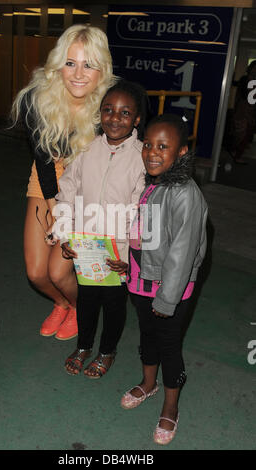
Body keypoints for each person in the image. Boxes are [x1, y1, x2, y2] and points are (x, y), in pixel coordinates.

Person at [11, 25, 115, 340]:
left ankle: (83, 312)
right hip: (47, 181)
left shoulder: (111, 106)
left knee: (59, 271)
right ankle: (64, 304)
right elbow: (43, 160)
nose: (78, 73)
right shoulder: (36, 99)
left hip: (89, 191)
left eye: (89, 64)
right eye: (70, 63)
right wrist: (57, 209)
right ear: (58, 64)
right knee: (37, 273)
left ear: (102, 68)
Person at [120, 114, 208, 445]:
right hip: (142, 279)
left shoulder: (186, 194)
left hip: (170, 289)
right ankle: (148, 382)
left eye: (162, 146)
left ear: (182, 152)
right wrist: (126, 263)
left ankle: (171, 405)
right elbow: (142, 233)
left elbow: (182, 254)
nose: (152, 152)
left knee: (169, 346)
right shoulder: (153, 182)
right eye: (147, 144)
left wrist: (167, 299)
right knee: (146, 335)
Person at [52, 79, 149, 377]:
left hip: (117, 255)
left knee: (114, 306)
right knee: (87, 300)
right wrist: (65, 233)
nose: (115, 118)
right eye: (108, 110)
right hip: (86, 249)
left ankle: (107, 351)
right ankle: (83, 346)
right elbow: (67, 190)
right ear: (100, 114)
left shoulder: (142, 157)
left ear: (136, 119)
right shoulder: (87, 148)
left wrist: (130, 259)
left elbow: (141, 211)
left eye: (124, 113)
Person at [226, 60, 256, 163]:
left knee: (245, 133)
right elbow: (243, 97)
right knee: (241, 132)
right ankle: (236, 154)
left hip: (247, 110)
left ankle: (236, 152)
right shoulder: (247, 80)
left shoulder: (247, 80)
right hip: (243, 110)